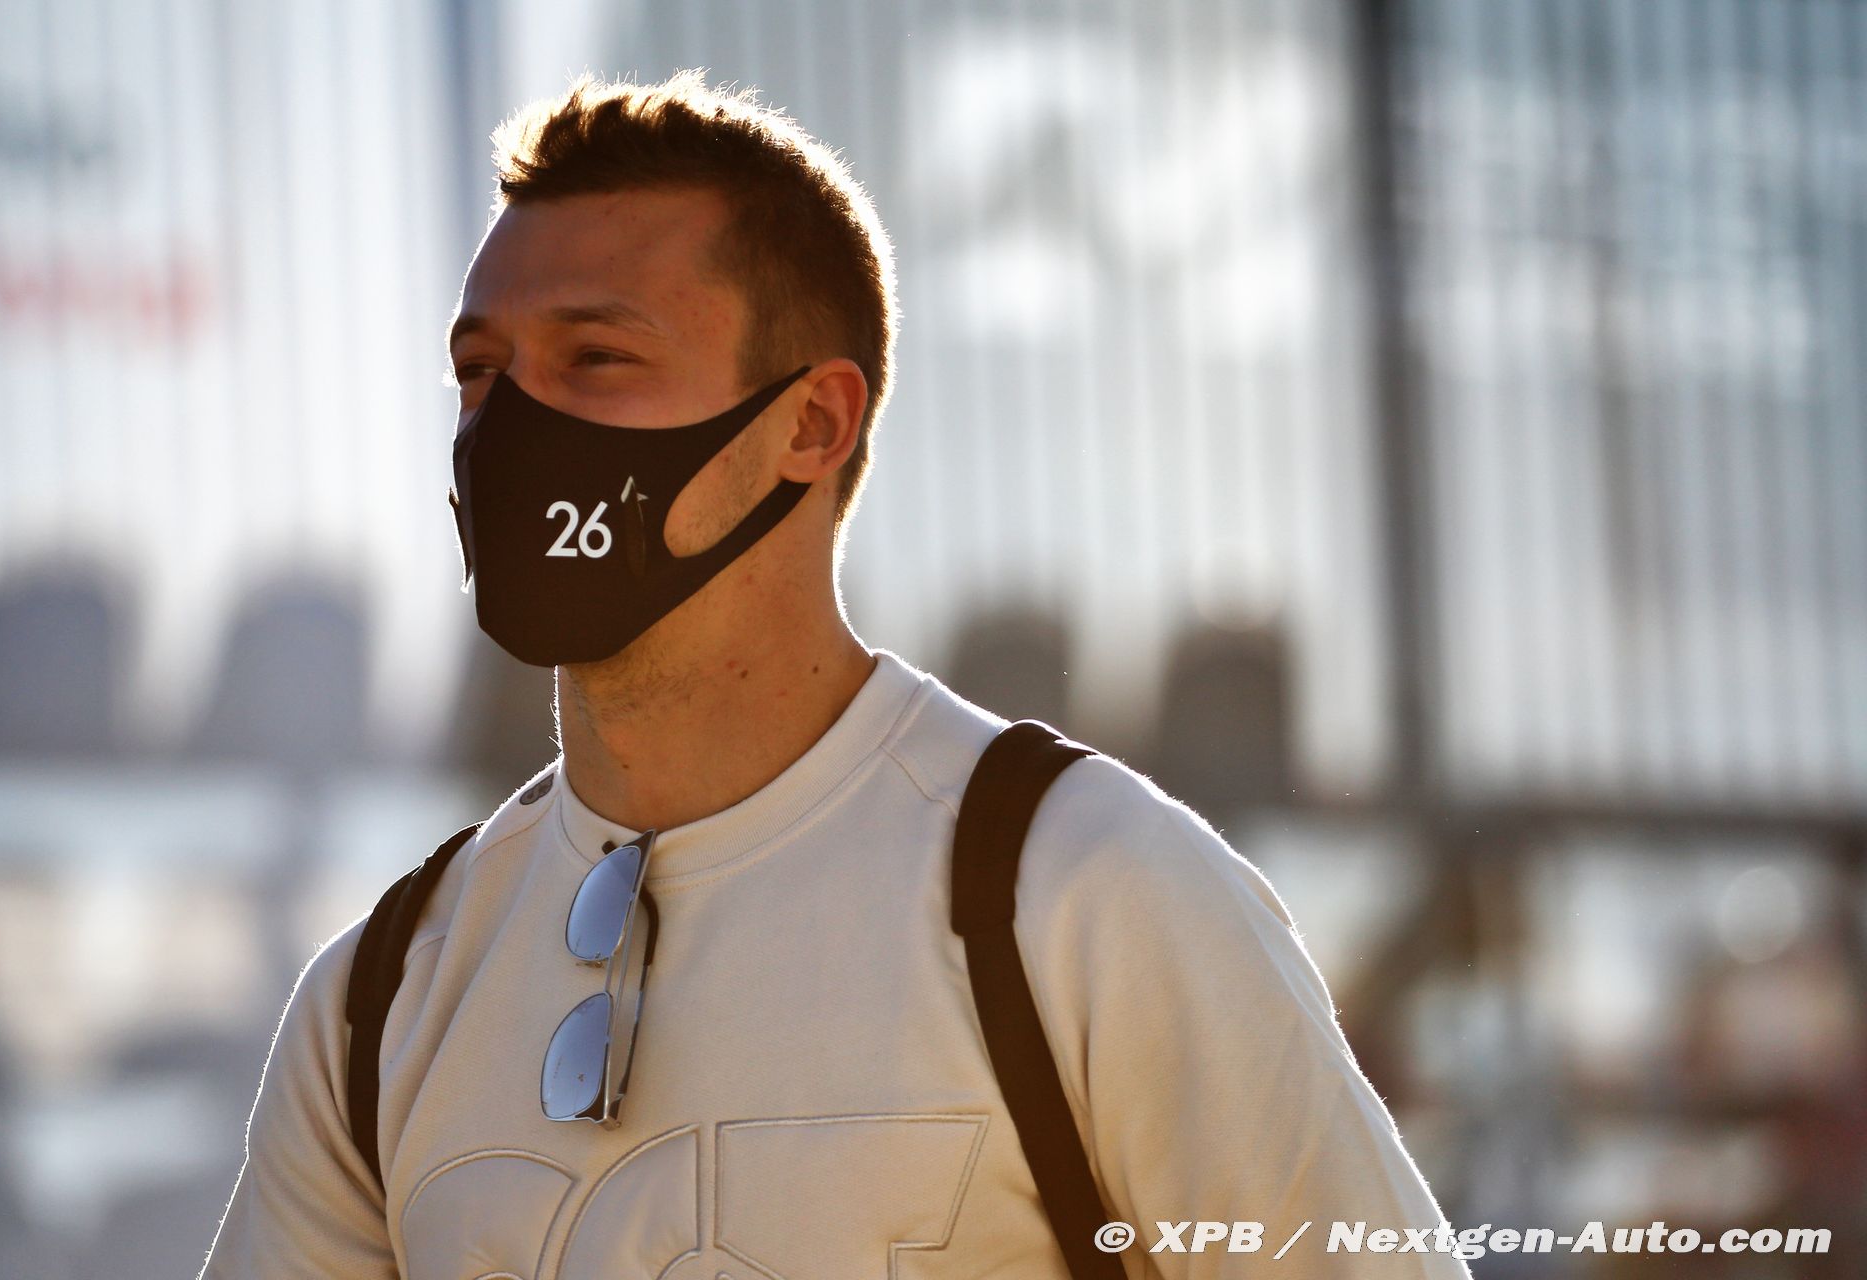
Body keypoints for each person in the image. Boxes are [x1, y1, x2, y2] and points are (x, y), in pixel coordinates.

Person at [200, 69, 1466, 1278]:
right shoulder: (380, 996)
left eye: (596, 358)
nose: (510, 428)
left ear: (812, 423)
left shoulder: (1084, 893)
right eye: (482, 372)